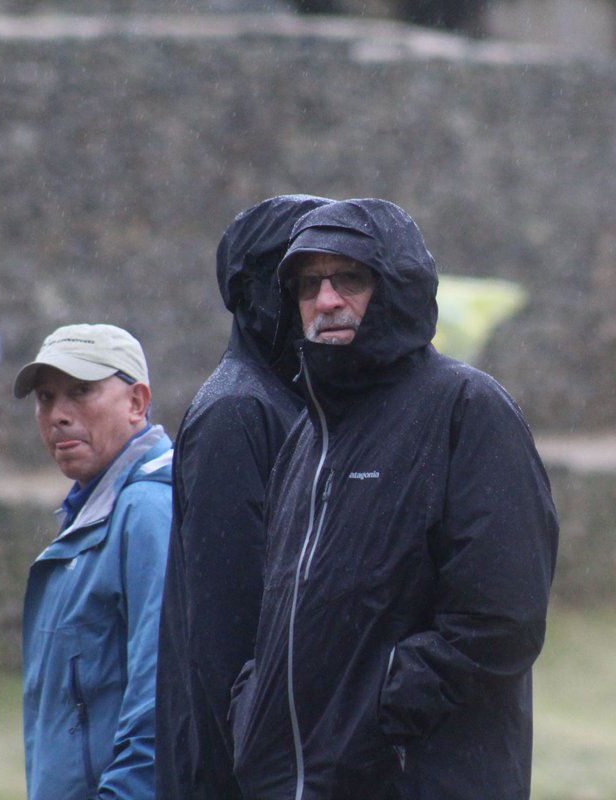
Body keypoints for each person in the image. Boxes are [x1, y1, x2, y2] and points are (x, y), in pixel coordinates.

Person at [228, 198, 559, 800]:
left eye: (350, 278)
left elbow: (500, 619)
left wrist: (383, 708)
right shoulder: (306, 437)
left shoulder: (466, 410)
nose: (326, 300)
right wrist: (256, 706)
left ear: (396, 288)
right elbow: (280, 613)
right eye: (308, 285)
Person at [155, 194, 332, 800]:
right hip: (239, 769)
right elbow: (229, 628)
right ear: (263, 291)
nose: (325, 301)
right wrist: (269, 767)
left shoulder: (289, 400)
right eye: (305, 281)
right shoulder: (238, 412)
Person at [13, 323, 173, 800]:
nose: (58, 415)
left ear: (136, 402)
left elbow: (160, 700)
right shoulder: (94, 508)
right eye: (45, 397)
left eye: (81, 391)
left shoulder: (147, 512)